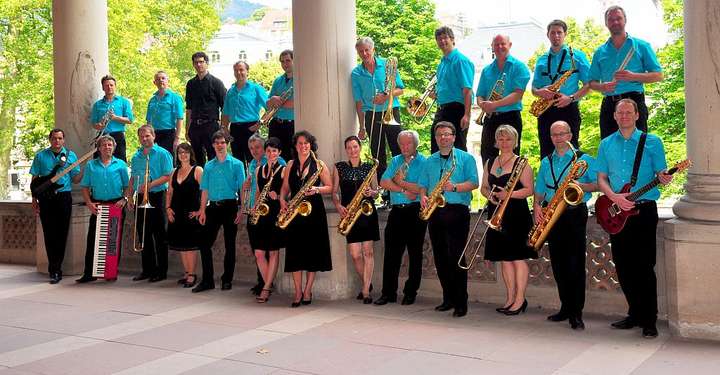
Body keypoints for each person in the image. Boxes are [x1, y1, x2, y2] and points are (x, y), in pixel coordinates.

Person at [596, 98, 672, 339]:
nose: (625, 116)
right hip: (617, 211)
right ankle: (634, 314)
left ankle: (649, 320)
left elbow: (661, 173)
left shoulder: (652, 141)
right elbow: (601, 179)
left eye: (629, 112)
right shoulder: (606, 144)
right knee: (624, 265)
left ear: (637, 115)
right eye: (621, 113)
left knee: (645, 266)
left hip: (644, 210)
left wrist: (664, 177)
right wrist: (615, 198)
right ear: (615, 117)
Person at [533, 121, 597, 330]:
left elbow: (598, 184)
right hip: (552, 213)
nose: (559, 138)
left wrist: (580, 185)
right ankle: (565, 307)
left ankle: (576, 313)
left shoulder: (584, 159)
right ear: (550, 137)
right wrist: (536, 207)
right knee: (558, 263)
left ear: (571, 134)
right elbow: (540, 189)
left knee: (575, 264)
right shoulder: (546, 161)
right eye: (555, 134)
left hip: (574, 212)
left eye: (563, 133)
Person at [418, 122, 479, 317]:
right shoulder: (429, 161)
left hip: (457, 210)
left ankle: (461, 301)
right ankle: (448, 298)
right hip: (435, 210)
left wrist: (455, 187)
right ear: (436, 139)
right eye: (439, 135)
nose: (443, 138)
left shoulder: (466, 158)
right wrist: (423, 196)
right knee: (440, 257)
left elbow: (474, 183)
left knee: (457, 257)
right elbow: (422, 185)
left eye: (447, 134)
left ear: (453, 137)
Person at [481, 125, 536, 316]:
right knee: (504, 259)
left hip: (516, 214)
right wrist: (491, 196)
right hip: (496, 212)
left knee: (518, 258)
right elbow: (484, 187)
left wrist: (508, 194)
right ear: (496, 141)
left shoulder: (522, 163)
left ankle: (520, 299)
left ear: (515, 141)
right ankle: (510, 298)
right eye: (501, 139)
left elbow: (529, 190)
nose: (504, 143)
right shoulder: (490, 161)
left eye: (508, 139)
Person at [589, 5, 663, 139]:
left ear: (625, 20)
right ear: (606, 23)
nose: (615, 22)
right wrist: (602, 86)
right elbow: (592, 82)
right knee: (609, 147)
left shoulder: (641, 46)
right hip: (609, 104)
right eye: (611, 19)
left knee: (638, 146)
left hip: (634, 101)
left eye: (618, 18)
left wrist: (633, 76)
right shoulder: (600, 52)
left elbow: (658, 75)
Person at [279, 131, 333, 307]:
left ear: (311, 145)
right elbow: (286, 186)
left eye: (307, 143)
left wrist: (317, 190)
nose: (303, 146)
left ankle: (308, 290)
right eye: (300, 143)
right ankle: (297, 291)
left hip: (314, 212)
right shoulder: (290, 164)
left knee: (312, 253)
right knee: (295, 253)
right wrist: (281, 199)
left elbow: (330, 187)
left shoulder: (319, 165)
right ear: (295, 146)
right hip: (295, 212)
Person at [375, 130, 427, 306]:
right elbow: (383, 182)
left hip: (415, 212)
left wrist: (400, 182)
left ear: (415, 145)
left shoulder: (424, 162)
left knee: (415, 254)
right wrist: (403, 190)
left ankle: (410, 292)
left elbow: (421, 189)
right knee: (391, 254)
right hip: (396, 211)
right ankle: (388, 293)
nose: (405, 147)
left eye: (408, 144)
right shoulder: (396, 160)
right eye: (402, 144)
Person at [192, 131, 246, 293]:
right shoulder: (208, 166)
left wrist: (242, 209)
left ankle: (227, 280)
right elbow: (204, 189)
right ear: (213, 145)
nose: (220, 145)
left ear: (227, 144)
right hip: (213, 208)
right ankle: (207, 280)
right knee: (203, 243)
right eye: (217, 143)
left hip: (230, 206)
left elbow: (243, 188)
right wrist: (202, 210)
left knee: (230, 245)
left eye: (223, 142)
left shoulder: (237, 164)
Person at [531, 20, 591, 159]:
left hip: (569, 108)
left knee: (571, 150)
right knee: (546, 152)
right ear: (548, 35)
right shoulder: (541, 59)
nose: (556, 35)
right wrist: (540, 92)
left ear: (565, 34)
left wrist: (571, 98)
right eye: (553, 32)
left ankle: (570, 180)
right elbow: (534, 89)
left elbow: (590, 84)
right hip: (546, 110)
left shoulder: (577, 56)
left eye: (559, 32)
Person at [30, 129, 82, 284]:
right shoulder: (40, 156)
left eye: (60, 138)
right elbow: (35, 180)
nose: (57, 141)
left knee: (61, 234)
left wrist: (85, 171)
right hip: (46, 199)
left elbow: (77, 179)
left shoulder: (71, 156)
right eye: (54, 138)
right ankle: (53, 270)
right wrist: (34, 199)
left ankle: (56, 269)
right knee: (49, 234)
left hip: (64, 197)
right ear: (50, 139)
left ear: (64, 140)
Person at [332, 136, 380, 304]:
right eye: (349, 147)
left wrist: (371, 193)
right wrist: (338, 205)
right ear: (346, 150)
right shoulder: (339, 167)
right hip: (350, 213)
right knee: (355, 254)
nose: (352, 150)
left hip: (366, 213)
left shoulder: (370, 167)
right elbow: (334, 192)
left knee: (368, 252)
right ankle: (367, 282)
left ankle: (366, 290)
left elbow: (377, 190)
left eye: (355, 146)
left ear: (360, 147)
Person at [76, 135, 129, 283]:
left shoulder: (121, 165)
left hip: (116, 205)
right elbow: (85, 186)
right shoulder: (91, 165)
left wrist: (124, 199)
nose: (107, 147)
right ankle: (89, 274)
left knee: (113, 241)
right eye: (104, 145)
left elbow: (127, 186)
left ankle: (110, 273)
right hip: (98, 205)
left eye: (110, 145)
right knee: (93, 239)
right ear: (99, 148)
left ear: (114, 147)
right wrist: (89, 203)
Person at [351, 37, 404, 182]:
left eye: (367, 50)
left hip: (391, 111)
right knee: (377, 152)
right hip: (371, 115)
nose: (365, 54)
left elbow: (400, 90)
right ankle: (384, 188)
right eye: (361, 51)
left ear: (373, 49)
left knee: (397, 148)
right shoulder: (356, 73)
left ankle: (401, 184)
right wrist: (361, 126)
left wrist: (386, 96)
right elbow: (358, 102)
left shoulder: (387, 64)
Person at [126, 125, 174, 282]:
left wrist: (149, 185)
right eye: (141, 136)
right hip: (140, 197)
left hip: (157, 196)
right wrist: (130, 196)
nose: (144, 139)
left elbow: (167, 176)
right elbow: (133, 178)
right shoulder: (136, 156)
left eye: (147, 136)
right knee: (143, 234)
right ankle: (147, 269)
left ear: (153, 136)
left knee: (160, 235)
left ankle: (161, 271)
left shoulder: (163, 154)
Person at [476, 35, 531, 165]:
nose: (500, 47)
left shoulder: (519, 67)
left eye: (503, 44)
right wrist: (482, 104)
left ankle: (510, 185)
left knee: (512, 155)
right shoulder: (486, 70)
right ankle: (489, 184)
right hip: (491, 118)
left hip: (510, 116)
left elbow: (518, 94)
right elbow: (479, 95)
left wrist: (494, 104)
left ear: (509, 45)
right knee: (487, 155)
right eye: (496, 44)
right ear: (492, 47)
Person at [245, 134, 286, 295]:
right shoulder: (256, 169)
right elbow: (258, 193)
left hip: (275, 212)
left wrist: (279, 195)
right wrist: (254, 206)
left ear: (279, 152)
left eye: (273, 151)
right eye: (269, 151)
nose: (271, 154)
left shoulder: (282, 167)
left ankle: (266, 287)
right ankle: (268, 283)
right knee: (259, 253)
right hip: (261, 212)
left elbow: (287, 190)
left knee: (273, 251)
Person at [430, 26, 474, 153]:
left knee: (457, 147)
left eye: (445, 38)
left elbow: (467, 90)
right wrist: (437, 95)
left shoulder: (460, 60)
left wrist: (467, 114)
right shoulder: (442, 63)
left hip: (456, 109)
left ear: (452, 39)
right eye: (439, 39)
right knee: (437, 146)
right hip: (442, 109)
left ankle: (460, 173)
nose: (442, 41)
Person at [166, 142, 203, 288]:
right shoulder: (174, 171)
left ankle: (193, 274)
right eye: (180, 152)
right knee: (181, 245)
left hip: (191, 213)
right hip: (176, 212)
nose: (183, 154)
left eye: (186, 152)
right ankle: (187, 272)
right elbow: (170, 192)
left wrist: (201, 210)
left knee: (190, 246)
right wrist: (168, 208)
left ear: (190, 153)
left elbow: (205, 191)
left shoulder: (197, 170)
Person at [222, 60, 268, 164]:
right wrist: (225, 129)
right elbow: (225, 113)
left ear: (247, 71)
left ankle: (255, 180)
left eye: (241, 70)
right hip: (235, 129)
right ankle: (241, 181)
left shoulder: (256, 89)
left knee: (254, 159)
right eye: (236, 70)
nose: (239, 72)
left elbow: (269, 108)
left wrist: (260, 123)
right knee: (238, 161)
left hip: (250, 128)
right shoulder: (230, 91)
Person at [185, 51, 227, 166]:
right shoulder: (190, 84)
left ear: (206, 63)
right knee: (197, 159)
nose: (199, 65)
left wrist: (223, 128)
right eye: (196, 62)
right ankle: (200, 183)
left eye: (201, 62)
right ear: (193, 65)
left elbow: (225, 107)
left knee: (214, 156)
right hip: (195, 126)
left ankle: (215, 182)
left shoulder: (216, 83)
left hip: (211, 126)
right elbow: (188, 108)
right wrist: (187, 128)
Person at [90, 75, 134, 161]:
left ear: (115, 86)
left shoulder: (124, 102)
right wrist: (99, 125)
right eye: (106, 85)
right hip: (103, 135)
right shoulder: (97, 104)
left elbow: (130, 120)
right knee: (98, 161)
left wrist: (115, 117)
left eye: (111, 85)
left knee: (120, 160)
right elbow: (93, 123)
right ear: (103, 87)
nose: (109, 87)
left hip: (118, 135)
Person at [146, 70, 185, 154]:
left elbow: (180, 118)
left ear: (168, 80)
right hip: (154, 134)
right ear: (154, 82)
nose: (161, 80)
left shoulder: (175, 97)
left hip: (168, 134)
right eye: (158, 79)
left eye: (163, 78)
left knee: (168, 160)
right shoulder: (152, 100)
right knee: (154, 159)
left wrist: (177, 138)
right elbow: (148, 121)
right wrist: (148, 136)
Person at [267, 50, 295, 158]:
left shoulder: (300, 79)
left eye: (288, 60)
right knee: (274, 157)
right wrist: (273, 99)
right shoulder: (277, 80)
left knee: (291, 157)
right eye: (282, 61)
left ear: (294, 60)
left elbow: (296, 103)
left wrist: (278, 103)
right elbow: (268, 104)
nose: (285, 64)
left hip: (291, 125)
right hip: (276, 124)